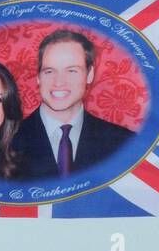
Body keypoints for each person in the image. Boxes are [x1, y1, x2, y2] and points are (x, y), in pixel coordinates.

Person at [12, 29, 134, 181]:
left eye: (71, 71)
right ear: (38, 77)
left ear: (89, 75)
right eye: (49, 71)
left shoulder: (123, 142)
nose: (59, 82)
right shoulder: (4, 142)